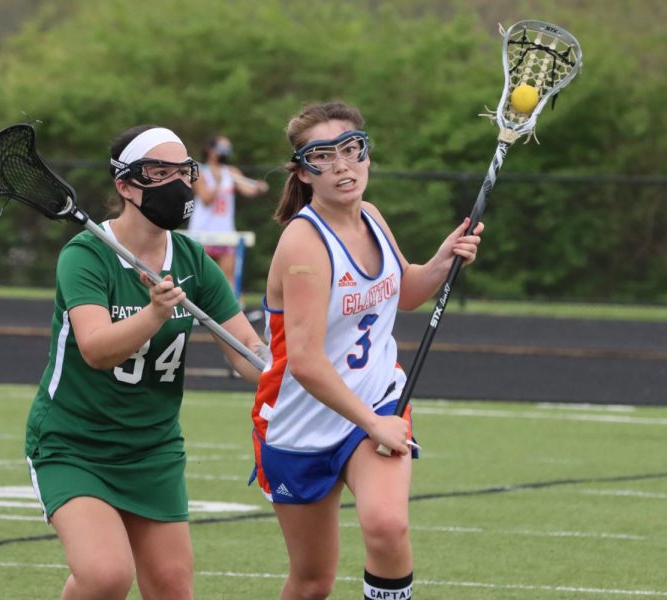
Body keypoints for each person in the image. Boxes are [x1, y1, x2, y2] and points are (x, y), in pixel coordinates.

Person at [249, 101, 484, 599]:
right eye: (323, 156)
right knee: (312, 581)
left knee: (387, 527)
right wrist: (373, 423)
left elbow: (406, 292)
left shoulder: (371, 217)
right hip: (301, 422)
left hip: (376, 400)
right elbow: (307, 362)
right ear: (304, 172)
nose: (341, 166)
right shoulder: (304, 243)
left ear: (367, 156)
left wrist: (442, 259)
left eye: (351, 150)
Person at [24, 124, 266, 600]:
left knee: (172, 588)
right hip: (74, 445)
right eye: (160, 171)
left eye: (183, 170)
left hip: (152, 449)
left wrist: (286, 371)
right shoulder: (86, 255)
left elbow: (246, 352)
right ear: (126, 185)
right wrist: (155, 312)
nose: (177, 182)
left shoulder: (194, 260)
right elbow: (96, 348)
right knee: (107, 575)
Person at [188, 134, 269, 293]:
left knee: (227, 280)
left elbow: (248, 190)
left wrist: (258, 188)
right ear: (210, 150)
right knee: (199, 278)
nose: (225, 152)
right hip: (202, 233)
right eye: (221, 148)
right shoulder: (200, 172)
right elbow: (205, 199)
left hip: (225, 233)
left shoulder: (231, 172)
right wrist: (217, 182)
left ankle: (229, 314)